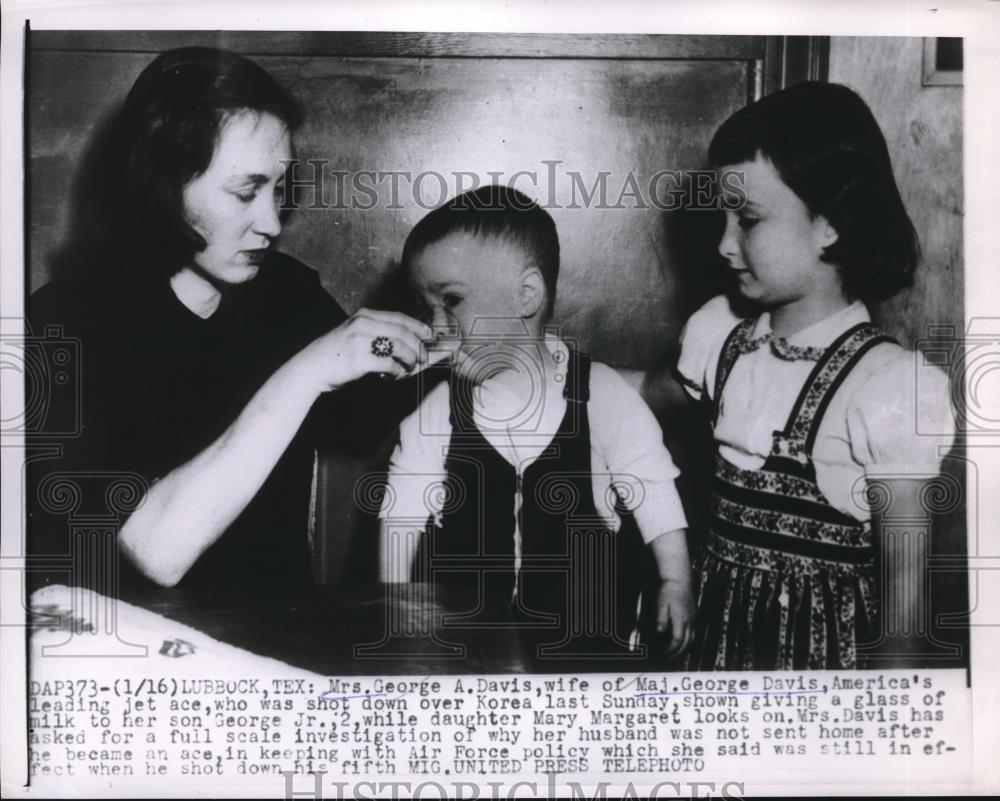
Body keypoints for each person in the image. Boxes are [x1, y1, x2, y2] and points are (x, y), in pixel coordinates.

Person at [27, 47, 442, 591]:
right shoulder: (62, 325)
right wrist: (310, 369)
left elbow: (376, 409)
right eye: (245, 191)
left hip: (277, 638)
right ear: (161, 182)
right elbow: (155, 552)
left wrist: (447, 345)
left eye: (278, 189)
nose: (271, 222)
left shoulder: (288, 293)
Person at [677, 82, 956, 670]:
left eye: (747, 220)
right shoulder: (722, 335)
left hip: (817, 690)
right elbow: (624, 392)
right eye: (723, 217)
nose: (724, 245)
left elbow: (905, 619)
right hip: (712, 664)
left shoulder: (887, 388)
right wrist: (510, 351)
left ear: (829, 225)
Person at [377, 185, 694, 664]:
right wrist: (396, 606)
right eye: (427, 307)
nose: (436, 326)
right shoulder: (437, 412)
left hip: (586, 649)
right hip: (469, 649)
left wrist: (676, 579)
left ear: (527, 294)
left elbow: (653, 487)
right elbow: (400, 515)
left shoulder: (602, 395)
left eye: (453, 300)